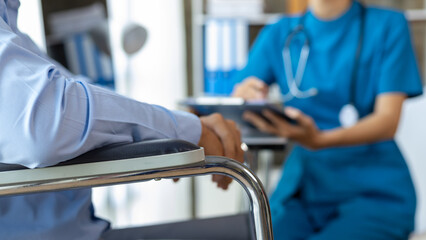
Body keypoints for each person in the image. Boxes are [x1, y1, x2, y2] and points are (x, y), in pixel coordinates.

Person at [0, 0, 244, 239]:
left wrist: (174, 124)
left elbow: (70, 98)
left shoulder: (14, 27)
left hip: (80, 228)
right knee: (258, 225)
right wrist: (185, 130)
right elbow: (43, 123)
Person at [233, 0, 422, 239]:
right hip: (304, 187)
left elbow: (388, 120)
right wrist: (245, 96)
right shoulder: (279, 32)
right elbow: (235, 98)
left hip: (373, 188)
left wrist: (320, 140)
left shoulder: (388, 25)